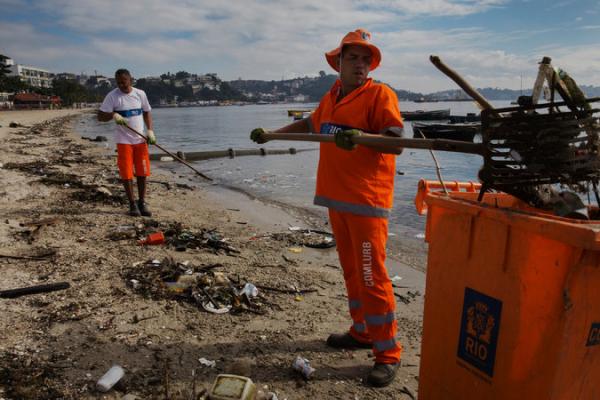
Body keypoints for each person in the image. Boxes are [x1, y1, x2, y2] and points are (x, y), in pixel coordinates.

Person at [251, 29, 404, 387]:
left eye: (366, 59)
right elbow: (309, 125)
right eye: (354, 58)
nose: (361, 65)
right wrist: (273, 134)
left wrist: (364, 138)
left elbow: (397, 142)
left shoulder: (380, 94)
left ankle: (388, 353)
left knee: (371, 276)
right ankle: (362, 331)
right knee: (352, 271)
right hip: (338, 199)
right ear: (339, 63)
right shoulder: (332, 95)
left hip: (367, 202)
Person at [98, 69, 156, 217]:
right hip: (123, 141)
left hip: (140, 139)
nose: (121, 85)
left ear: (130, 80)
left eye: (123, 82)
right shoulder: (112, 96)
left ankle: (142, 202)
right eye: (118, 82)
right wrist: (113, 115)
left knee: (142, 172)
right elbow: (100, 116)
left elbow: (147, 112)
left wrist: (150, 130)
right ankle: (132, 204)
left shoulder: (140, 94)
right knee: (127, 173)